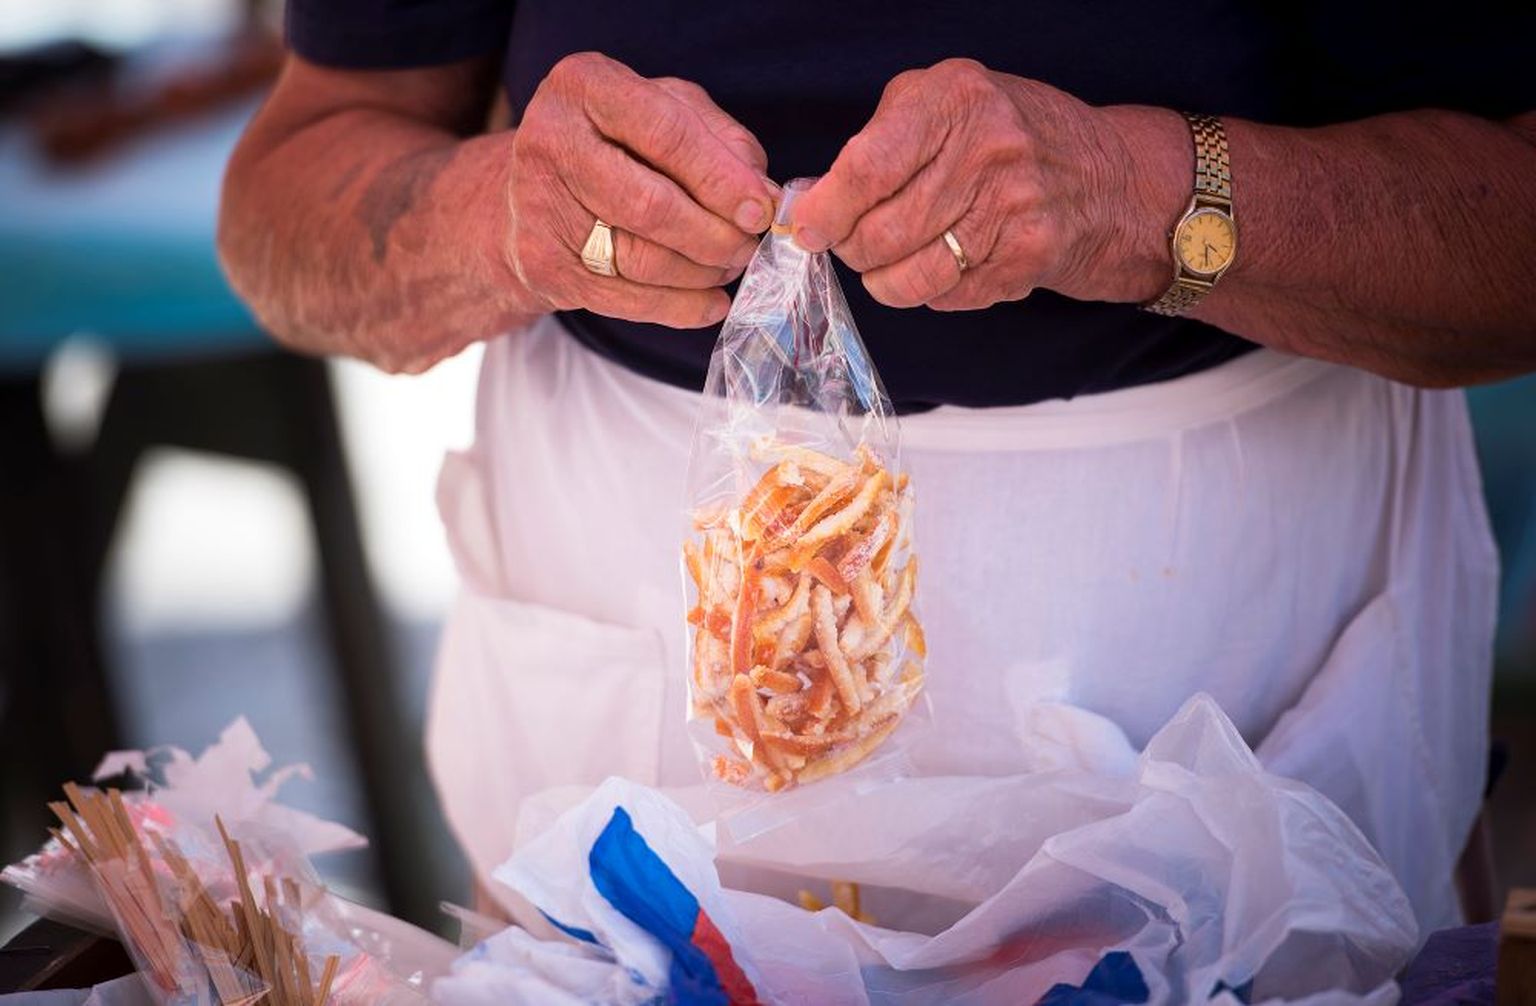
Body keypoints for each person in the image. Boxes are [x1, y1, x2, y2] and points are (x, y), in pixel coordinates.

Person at [218, 1, 1536, 935]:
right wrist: (500, 217)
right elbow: (292, 194)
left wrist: (1139, 195)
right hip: (634, 724)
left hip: (1235, 694)